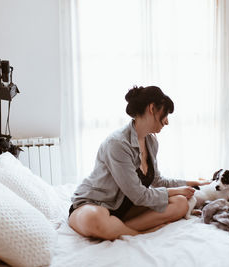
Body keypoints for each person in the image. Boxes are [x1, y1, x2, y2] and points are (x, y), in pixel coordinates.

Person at [68, 85, 210, 240]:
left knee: (181, 203)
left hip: (124, 207)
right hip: (94, 204)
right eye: (165, 114)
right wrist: (176, 190)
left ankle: (115, 228)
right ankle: (136, 234)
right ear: (152, 108)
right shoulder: (117, 143)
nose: (167, 122)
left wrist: (191, 183)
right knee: (94, 219)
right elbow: (138, 195)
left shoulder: (151, 142)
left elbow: (157, 180)